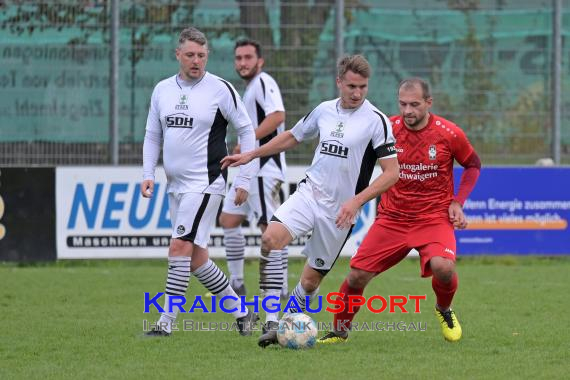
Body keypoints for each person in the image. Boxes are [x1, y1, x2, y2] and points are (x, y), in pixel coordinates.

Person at [221, 54, 400, 347]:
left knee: (309, 283)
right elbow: (293, 136)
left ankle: (284, 328)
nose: (356, 93)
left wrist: (356, 202)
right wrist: (251, 153)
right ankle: (272, 320)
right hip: (309, 194)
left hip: (340, 213)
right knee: (271, 239)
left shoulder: (376, 121)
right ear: (339, 82)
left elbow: (392, 173)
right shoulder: (324, 110)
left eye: (363, 87)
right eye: (351, 86)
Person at [318, 77, 481, 344]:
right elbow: (358, 158)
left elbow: (473, 165)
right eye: (403, 104)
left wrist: (457, 201)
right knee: (357, 275)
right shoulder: (387, 128)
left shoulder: (448, 133)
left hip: (433, 218)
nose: (407, 111)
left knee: (444, 268)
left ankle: (443, 309)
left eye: (414, 105)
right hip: (392, 219)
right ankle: (339, 331)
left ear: (429, 103)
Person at [141, 27, 259, 337]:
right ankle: (243, 314)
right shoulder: (162, 90)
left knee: (179, 247)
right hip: (176, 186)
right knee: (196, 259)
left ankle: (165, 324)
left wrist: (244, 176)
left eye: (202, 55)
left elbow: (246, 131)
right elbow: (153, 134)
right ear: (178, 55)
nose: (197, 61)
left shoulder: (221, 89)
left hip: (206, 182)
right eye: (191, 55)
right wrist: (148, 174)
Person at [218, 38, 289, 301]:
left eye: (248, 57)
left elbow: (278, 116)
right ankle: (236, 282)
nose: (243, 62)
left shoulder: (263, 82)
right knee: (228, 220)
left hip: (264, 169)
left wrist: (250, 144)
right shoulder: (250, 88)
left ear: (260, 61)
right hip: (250, 169)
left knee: (270, 231)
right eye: (238, 58)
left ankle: (280, 289)